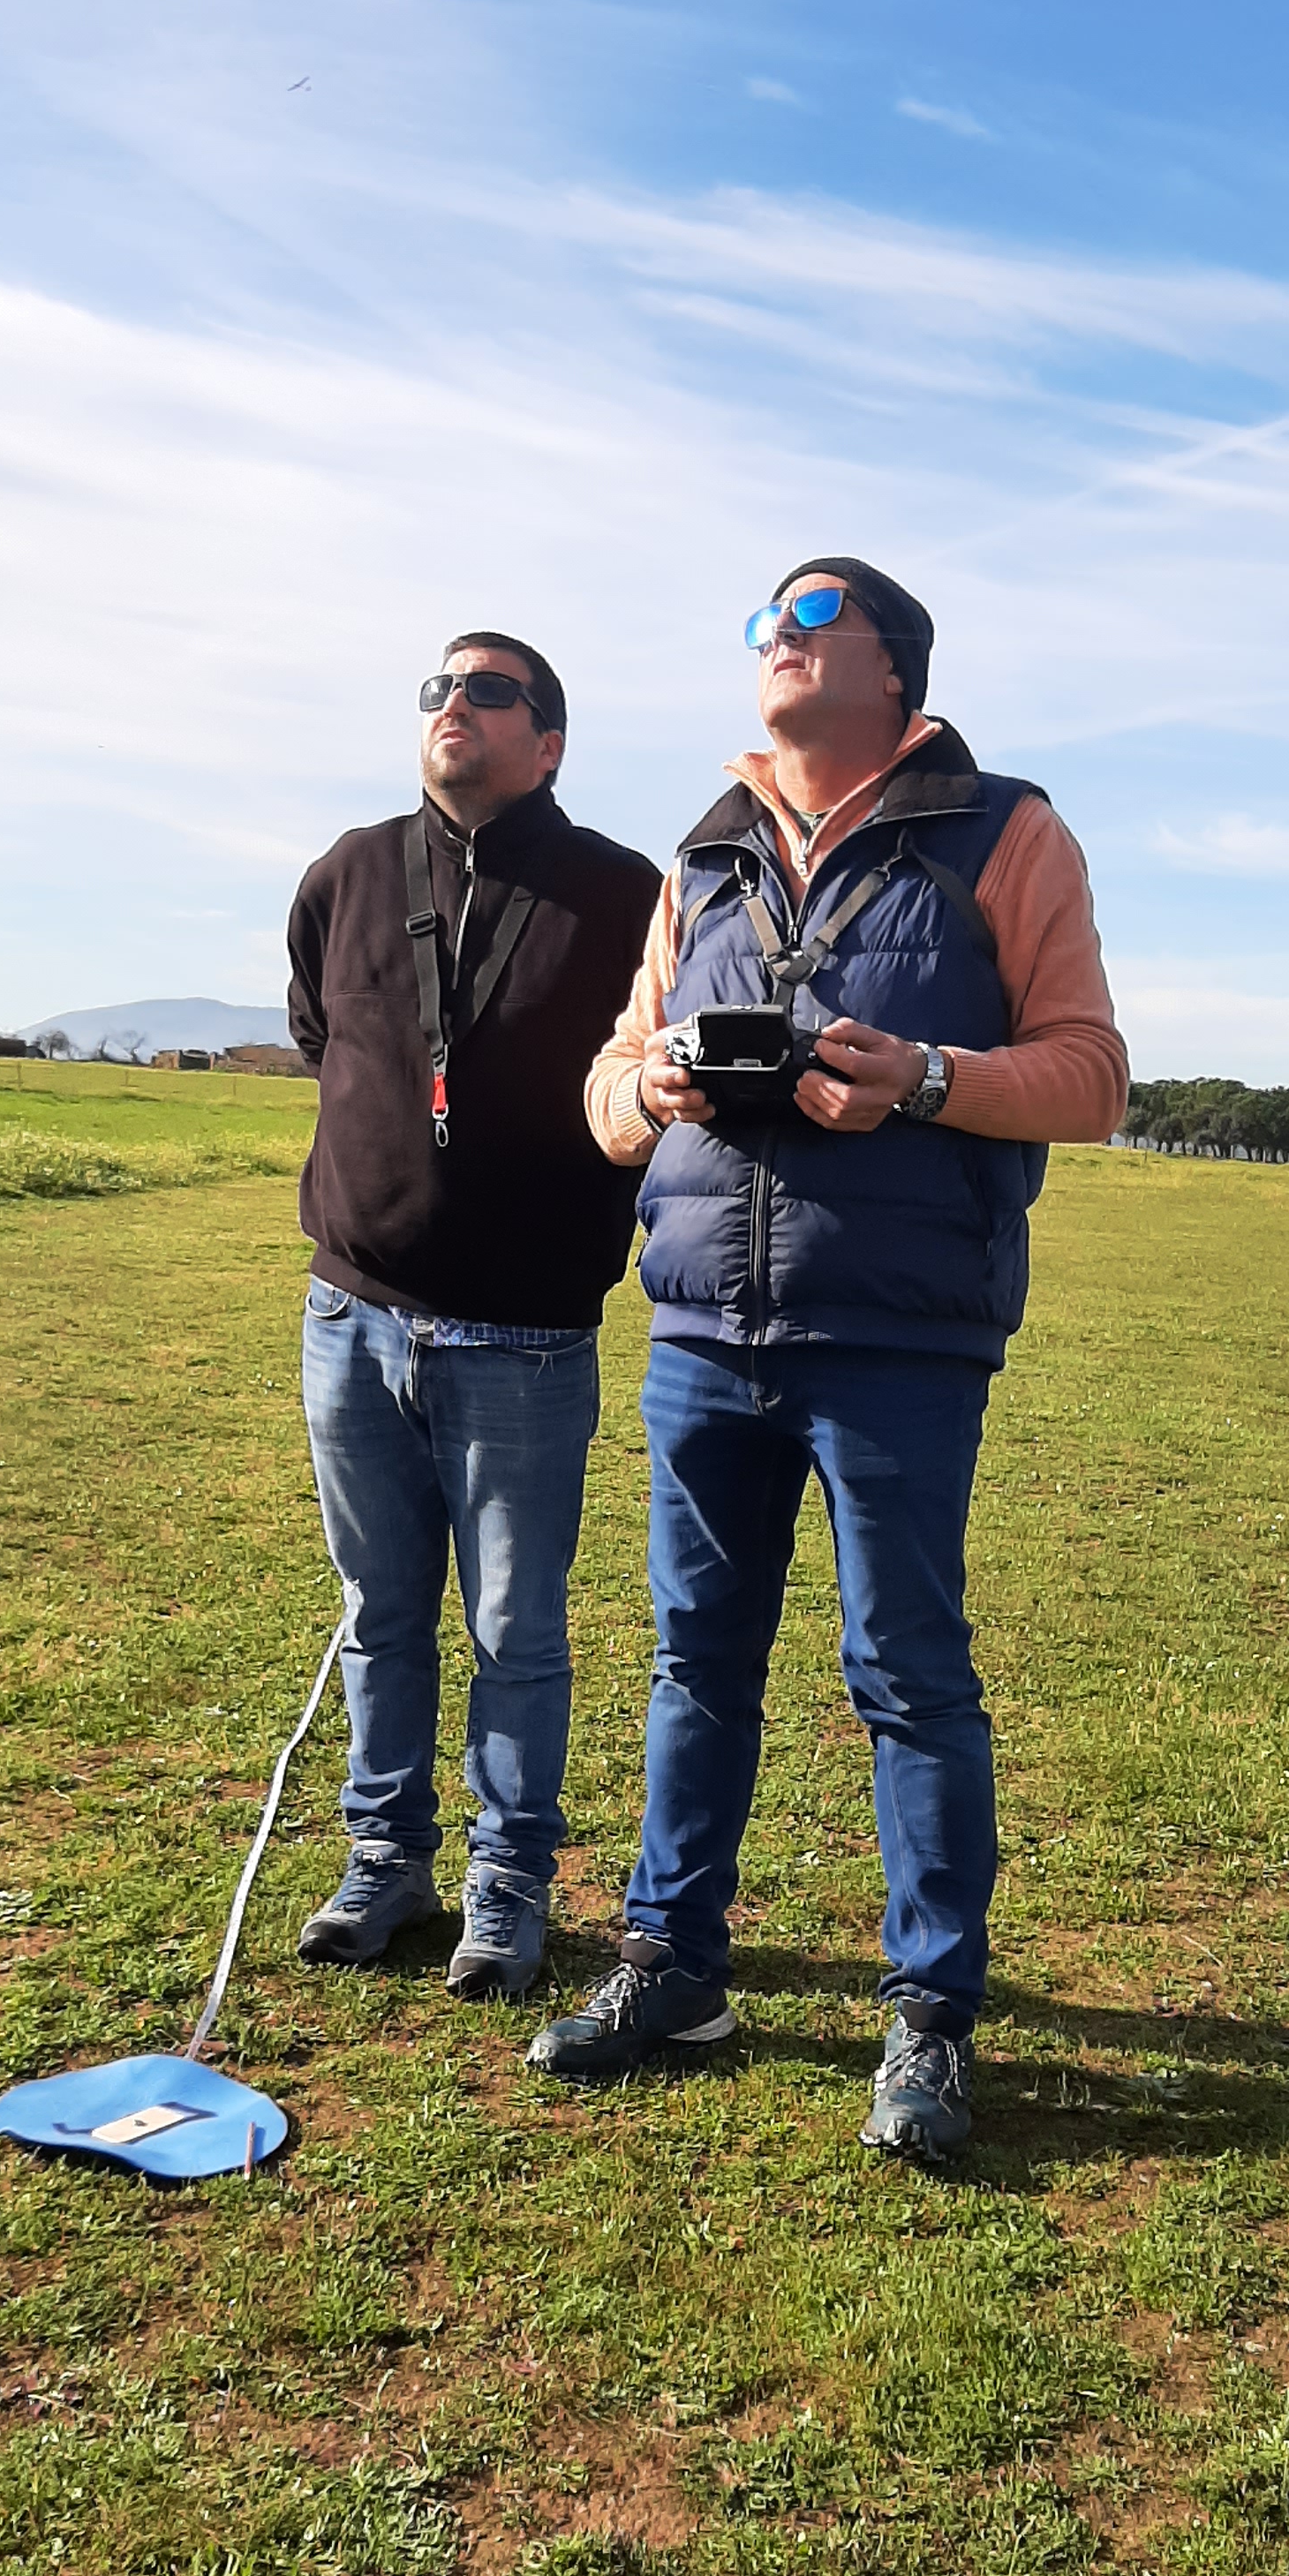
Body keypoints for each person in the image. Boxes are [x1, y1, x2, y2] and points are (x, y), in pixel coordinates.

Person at [528, 558, 1128, 2159]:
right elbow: (606, 1087)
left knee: (908, 1675)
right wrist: (652, 1087)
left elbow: (1090, 1074)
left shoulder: (1005, 832)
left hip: (898, 1334)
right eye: (762, 625)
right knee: (694, 1662)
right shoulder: (707, 851)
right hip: (702, 1327)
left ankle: (930, 2016)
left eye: (809, 620)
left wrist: (924, 1077)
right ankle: (673, 1967)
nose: (775, 644)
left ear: (895, 668)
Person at [286, 634, 660, 1998]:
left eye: (489, 690)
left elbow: (650, 1082)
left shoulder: (626, 894)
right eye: (439, 687)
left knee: (517, 1631)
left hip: (524, 1338)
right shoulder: (347, 872)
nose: (455, 704)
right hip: (354, 1319)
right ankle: (383, 1862)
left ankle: (509, 1885)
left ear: (548, 743)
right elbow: (324, 1040)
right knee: (379, 1612)